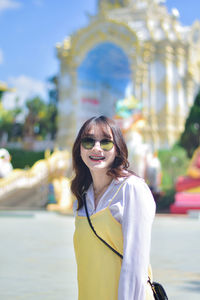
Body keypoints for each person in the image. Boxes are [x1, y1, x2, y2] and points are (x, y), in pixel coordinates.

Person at [71, 116, 155, 300]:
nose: (96, 148)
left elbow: (135, 264)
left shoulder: (131, 189)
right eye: (88, 141)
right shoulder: (82, 197)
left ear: (118, 149)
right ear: (79, 148)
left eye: (106, 142)